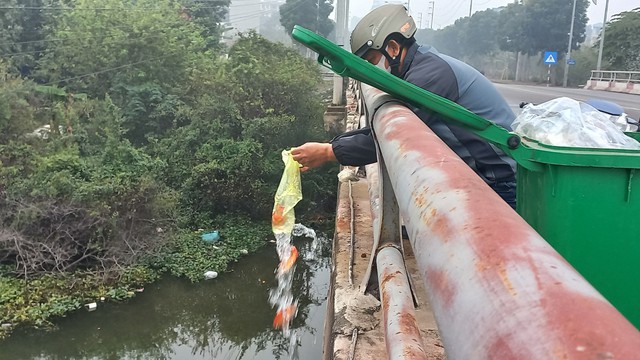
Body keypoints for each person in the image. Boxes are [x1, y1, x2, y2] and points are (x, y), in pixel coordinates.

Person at [291, 4, 517, 208]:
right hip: (480, 177)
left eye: (371, 62)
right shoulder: (420, 69)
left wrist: (328, 152)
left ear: (392, 48)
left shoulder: (429, 77)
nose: (370, 70)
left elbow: (395, 139)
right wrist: (330, 146)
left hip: (501, 181)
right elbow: (380, 131)